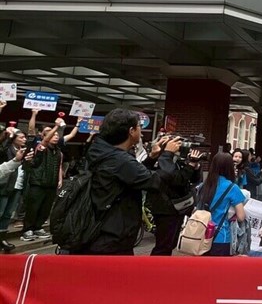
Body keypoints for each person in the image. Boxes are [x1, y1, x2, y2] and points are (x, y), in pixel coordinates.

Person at [80, 109, 184, 255]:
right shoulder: (120, 160)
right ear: (131, 131)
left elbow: (136, 176)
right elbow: (154, 182)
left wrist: (152, 157)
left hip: (99, 230)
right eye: (139, 127)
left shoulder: (101, 151)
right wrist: (167, 155)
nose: (141, 132)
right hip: (112, 237)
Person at [147, 145, 203, 256]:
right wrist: (190, 166)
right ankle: (155, 269)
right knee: (163, 245)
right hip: (165, 209)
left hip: (177, 207)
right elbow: (178, 180)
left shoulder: (177, 161)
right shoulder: (164, 161)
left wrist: (195, 167)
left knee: (170, 244)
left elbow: (192, 180)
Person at [196, 152, 247, 256]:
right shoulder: (232, 188)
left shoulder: (203, 186)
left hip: (200, 235)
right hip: (221, 236)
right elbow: (241, 217)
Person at [20, 121, 64, 242]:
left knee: (45, 208)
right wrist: (56, 127)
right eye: (51, 134)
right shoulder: (40, 147)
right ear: (44, 137)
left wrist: (59, 179)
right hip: (38, 183)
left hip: (51, 184)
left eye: (56, 134)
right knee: (33, 207)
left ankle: (38, 227)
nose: (55, 136)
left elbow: (59, 166)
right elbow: (44, 142)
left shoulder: (59, 152)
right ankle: (27, 230)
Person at [0, 128, 28, 252]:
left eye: (24, 137)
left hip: (17, 186)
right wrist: (7, 136)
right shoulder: (7, 149)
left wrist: (23, 160)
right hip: (5, 185)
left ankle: (2, 238)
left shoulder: (25, 151)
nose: (24, 139)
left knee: (7, 214)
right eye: (21, 137)